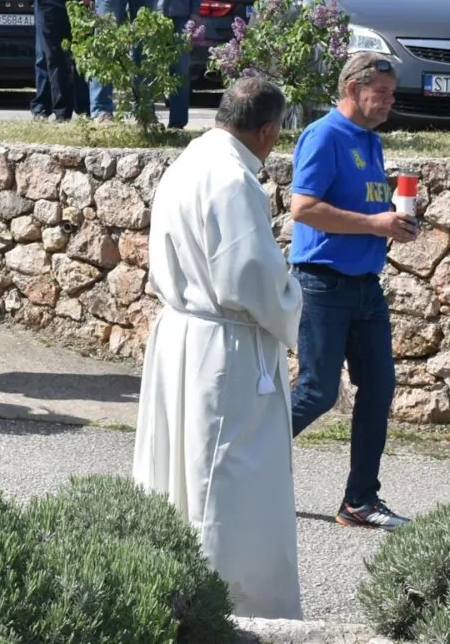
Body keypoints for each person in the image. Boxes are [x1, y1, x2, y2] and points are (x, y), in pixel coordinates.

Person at [133, 77, 303, 618]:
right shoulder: (234, 179)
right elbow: (249, 277)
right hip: (224, 348)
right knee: (227, 481)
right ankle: (230, 608)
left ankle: (167, 595)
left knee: (181, 470)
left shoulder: (189, 161)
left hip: (183, 335)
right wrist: (294, 301)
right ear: (268, 130)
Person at [288, 52, 417, 530]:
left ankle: (360, 501)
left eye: (391, 94)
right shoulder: (323, 135)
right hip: (322, 283)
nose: (388, 102)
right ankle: (234, 466)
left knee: (379, 388)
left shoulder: (371, 141)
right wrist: (374, 223)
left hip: (366, 285)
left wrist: (396, 223)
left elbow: (366, 211)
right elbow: (303, 208)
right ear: (352, 90)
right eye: (380, 94)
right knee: (317, 392)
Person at [157, 0, 203, 130]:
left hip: (181, 12)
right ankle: (147, 118)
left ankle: (177, 122)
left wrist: (195, 12)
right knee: (147, 68)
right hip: (151, 13)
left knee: (180, 69)